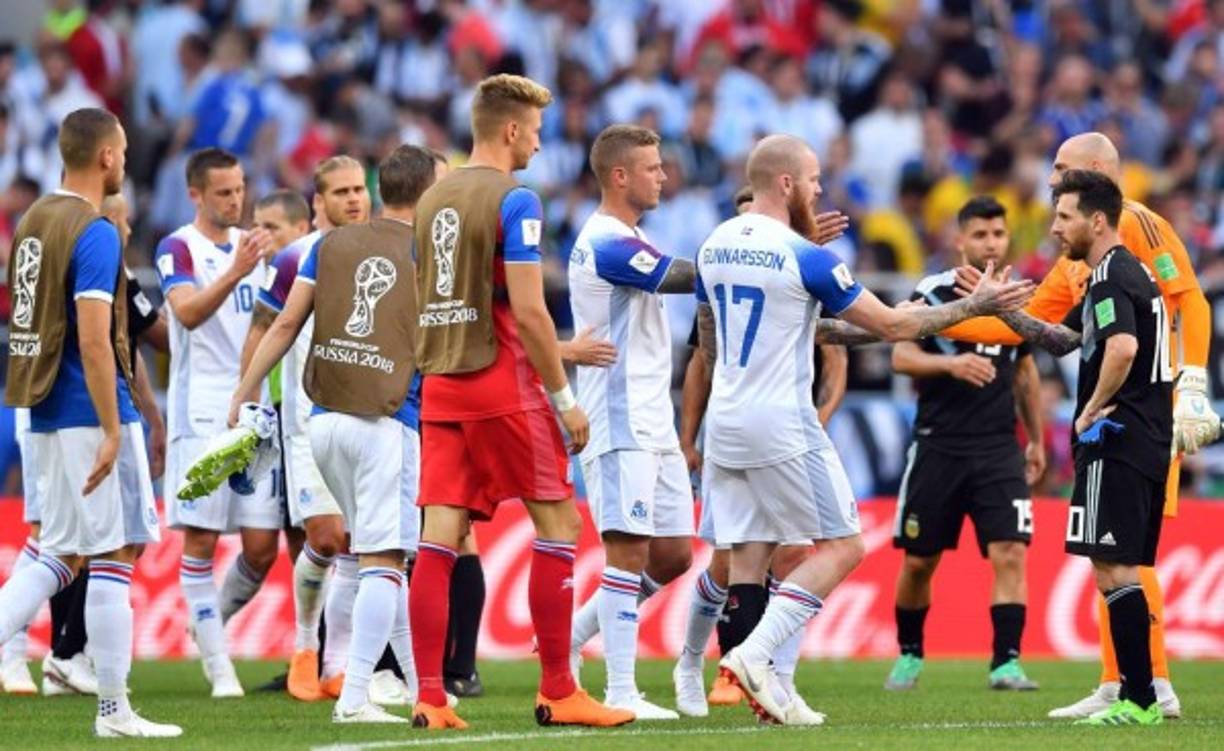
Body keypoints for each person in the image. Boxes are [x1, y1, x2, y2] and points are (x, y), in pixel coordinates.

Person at [695, 134, 1032, 725]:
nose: (819, 189)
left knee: (749, 555)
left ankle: (779, 694)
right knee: (844, 546)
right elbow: (895, 327)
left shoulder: (715, 243)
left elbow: (710, 339)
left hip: (724, 418)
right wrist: (974, 307)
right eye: (813, 180)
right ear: (786, 184)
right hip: (781, 418)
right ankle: (752, 654)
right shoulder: (810, 258)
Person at [941, 132, 1207, 718]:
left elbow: (1190, 302)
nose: (1050, 180)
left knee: (1123, 557)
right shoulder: (1080, 258)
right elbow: (1030, 326)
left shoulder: (1135, 228)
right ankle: (1119, 681)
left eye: (1060, 170)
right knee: (1109, 553)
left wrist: (1192, 384)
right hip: (1125, 420)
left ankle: (1151, 684)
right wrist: (939, 318)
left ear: (1093, 174)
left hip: (1134, 419)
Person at [409, 73, 635, 730]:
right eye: (534, 133)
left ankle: (430, 695)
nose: (537, 145)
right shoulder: (517, 200)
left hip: (441, 383)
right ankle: (559, 688)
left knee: (438, 538)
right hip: (501, 379)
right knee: (559, 525)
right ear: (511, 130)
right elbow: (532, 313)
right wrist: (565, 399)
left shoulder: (431, 198)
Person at [230, 144, 439, 724]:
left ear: (377, 191)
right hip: (384, 421)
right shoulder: (428, 251)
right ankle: (352, 695)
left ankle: (417, 689)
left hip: (323, 420)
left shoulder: (327, 248)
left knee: (364, 554)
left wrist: (242, 392)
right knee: (381, 560)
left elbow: (284, 324)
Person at [0, 107, 179, 737]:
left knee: (61, 552)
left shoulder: (33, 220)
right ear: (106, 156)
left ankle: (110, 706)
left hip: (41, 407)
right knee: (114, 553)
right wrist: (112, 427)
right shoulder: (94, 230)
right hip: (87, 408)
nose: (124, 161)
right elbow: (96, 338)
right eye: (122, 151)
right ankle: (114, 711)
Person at [988, 170, 1172, 727]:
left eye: (1064, 216)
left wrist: (1090, 408)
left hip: (1118, 438)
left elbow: (1122, 347)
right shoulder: (1119, 274)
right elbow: (1062, 339)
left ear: (1096, 220)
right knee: (1116, 566)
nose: (1055, 227)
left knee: (1114, 567)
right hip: (1145, 438)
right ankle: (1136, 693)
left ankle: (1139, 700)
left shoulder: (1111, 275)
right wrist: (995, 308)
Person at [672, 185, 848, 718]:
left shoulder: (796, 266)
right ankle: (693, 663)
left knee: (790, 553)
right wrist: (688, 437)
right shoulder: (727, 272)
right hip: (739, 429)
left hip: (785, 430)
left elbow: (835, 350)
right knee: (730, 561)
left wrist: (821, 418)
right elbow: (702, 361)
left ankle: (774, 680)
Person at [563, 124, 697, 720]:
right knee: (627, 552)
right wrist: (746, 259)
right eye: (652, 167)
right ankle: (621, 690)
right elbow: (679, 276)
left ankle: (570, 636)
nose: (663, 176)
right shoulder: (605, 242)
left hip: (653, 417)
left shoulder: (632, 236)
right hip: (618, 420)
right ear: (620, 176)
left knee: (673, 555)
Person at [884, 196, 1044, 693]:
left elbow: (1025, 372)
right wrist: (950, 364)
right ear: (959, 240)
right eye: (980, 234)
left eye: (998, 234)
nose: (991, 243)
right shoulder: (933, 292)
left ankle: (1006, 663)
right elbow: (901, 357)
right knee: (919, 561)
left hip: (998, 447)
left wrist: (1037, 440)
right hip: (939, 444)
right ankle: (909, 653)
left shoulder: (1016, 297)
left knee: (1010, 551)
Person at [239, 158, 374, 703]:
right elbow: (265, 327)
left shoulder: (384, 251)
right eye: (341, 192)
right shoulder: (297, 257)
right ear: (318, 202)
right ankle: (303, 646)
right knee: (325, 538)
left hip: (370, 417)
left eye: (360, 189)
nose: (354, 199)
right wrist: (247, 397)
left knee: (358, 547)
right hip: (307, 421)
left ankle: (337, 665)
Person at [155, 147, 277, 698]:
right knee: (201, 538)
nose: (236, 200)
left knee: (261, 547)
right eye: (224, 192)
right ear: (196, 194)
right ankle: (218, 666)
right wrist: (235, 272)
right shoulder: (179, 246)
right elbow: (184, 313)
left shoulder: (256, 248)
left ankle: (208, 623)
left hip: (255, 411)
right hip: (202, 412)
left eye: (240, 188)